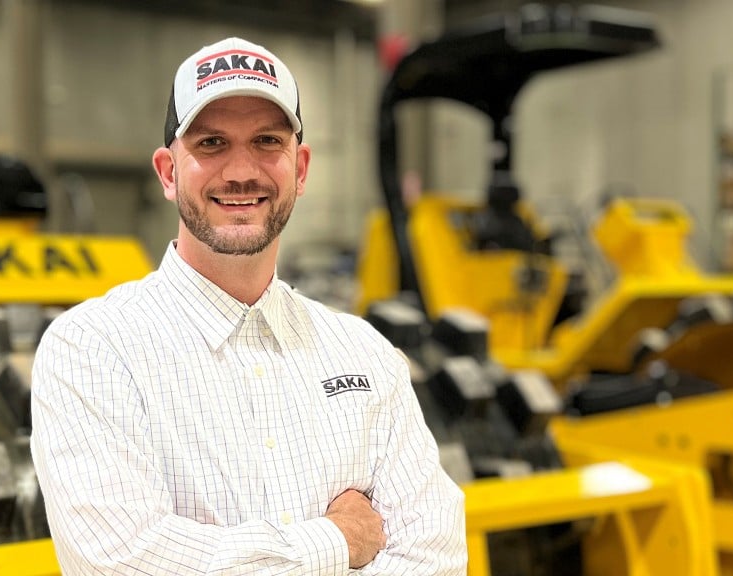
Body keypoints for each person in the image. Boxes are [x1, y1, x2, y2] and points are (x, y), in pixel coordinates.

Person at [30, 36, 467, 575]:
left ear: (301, 168)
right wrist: (334, 541)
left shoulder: (366, 356)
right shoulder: (93, 350)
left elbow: (436, 556)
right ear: (168, 173)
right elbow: (126, 562)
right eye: (211, 143)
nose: (241, 171)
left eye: (266, 141)